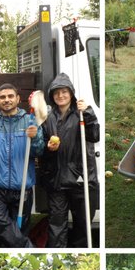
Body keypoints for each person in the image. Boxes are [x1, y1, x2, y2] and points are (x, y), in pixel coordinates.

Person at [0, 84, 44, 248]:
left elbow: (39, 151)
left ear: (17, 99)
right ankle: (28, 248)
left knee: (15, 233)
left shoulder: (29, 121)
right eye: (2, 97)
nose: (6, 100)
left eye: (10, 96)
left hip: (22, 188)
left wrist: (35, 138)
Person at [40, 73, 100, 248]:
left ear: (71, 93)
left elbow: (94, 135)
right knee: (56, 225)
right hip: (57, 180)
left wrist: (88, 113)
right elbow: (41, 145)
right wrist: (48, 148)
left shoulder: (82, 113)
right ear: (52, 95)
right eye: (57, 93)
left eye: (64, 92)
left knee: (83, 225)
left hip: (81, 179)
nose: (61, 96)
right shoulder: (48, 117)